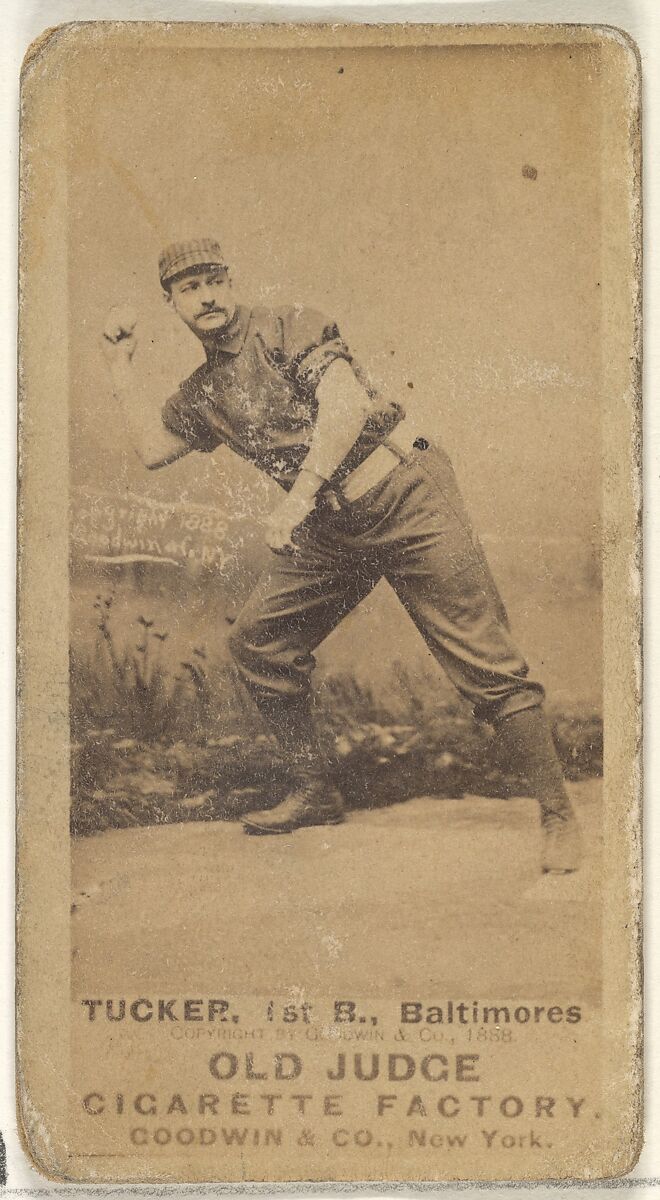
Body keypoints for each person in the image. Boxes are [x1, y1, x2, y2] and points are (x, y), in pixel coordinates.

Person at [102, 237, 582, 873]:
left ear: (231, 281)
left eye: (215, 280)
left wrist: (296, 500)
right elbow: (153, 448)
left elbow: (346, 405)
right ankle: (315, 789)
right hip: (333, 526)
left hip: (404, 492)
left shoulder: (287, 324)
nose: (208, 296)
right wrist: (119, 364)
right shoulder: (204, 391)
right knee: (259, 642)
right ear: (171, 303)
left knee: (485, 660)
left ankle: (557, 814)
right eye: (189, 288)